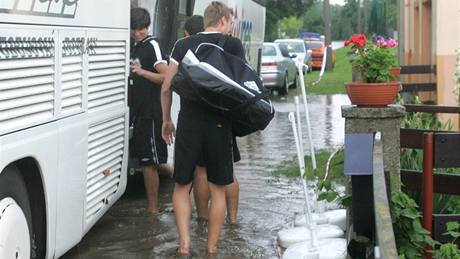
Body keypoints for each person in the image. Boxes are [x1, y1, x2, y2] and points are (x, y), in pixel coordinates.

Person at [161, 2, 245, 254]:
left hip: (189, 122)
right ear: (221, 21)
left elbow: (166, 87)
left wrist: (167, 119)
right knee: (218, 188)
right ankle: (211, 248)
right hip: (220, 124)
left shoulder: (182, 45)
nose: (230, 27)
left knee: (181, 186)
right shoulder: (232, 45)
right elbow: (241, 86)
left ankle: (185, 244)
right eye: (229, 22)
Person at [182, 14, 241, 224]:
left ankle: (203, 218)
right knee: (227, 171)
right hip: (224, 116)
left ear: (188, 33)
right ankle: (232, 220)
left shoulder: (186, 45)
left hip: (196, 118)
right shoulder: (230, 44)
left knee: (201, 170)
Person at [129, 7, 173, 214]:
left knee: (148, 163)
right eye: (133, 29)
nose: (137, 33)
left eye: (140, 29)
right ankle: (181, 178)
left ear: (147, 26)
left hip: (152, 112)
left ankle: (152, 210)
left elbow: (166, 77)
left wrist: (142, 72)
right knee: (146, 158)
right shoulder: (133, 45)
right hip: (137, 112)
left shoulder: (152, 45)